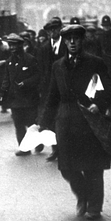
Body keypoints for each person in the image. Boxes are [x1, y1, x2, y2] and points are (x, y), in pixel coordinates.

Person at [40, 24, 111, 220]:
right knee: (66, 167)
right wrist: (42, 123)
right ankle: (82, 195)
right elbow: (52, 96)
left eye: (76, 38)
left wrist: (98, 104)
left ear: (82, 41)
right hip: (65, 120)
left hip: (89, 120)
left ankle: (94, 207)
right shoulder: (58, 66)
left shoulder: (95, 63)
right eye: (68, 39)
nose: (72, 42)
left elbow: (109, 89)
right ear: (64, 42)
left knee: (93, 166)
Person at [0, 33, 41, 156]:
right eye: (11, 45)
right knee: (18, 124)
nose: (12, 48)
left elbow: (38, 76)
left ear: (21, 45)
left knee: (32, 124)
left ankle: (38, 143)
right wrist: (2, 93)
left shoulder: (30, 59)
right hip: (15, 99)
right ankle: (23, 148)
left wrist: (25, 83)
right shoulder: (9, 62)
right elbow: (6, 79)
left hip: (29, 98)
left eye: (15, 45)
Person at [37, 16, 67, 161]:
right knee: (51, 120)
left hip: (65, 89)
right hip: (49, 90)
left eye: (54, 30)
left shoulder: (67, 45)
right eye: (49, 31)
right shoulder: (44, 49)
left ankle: (66, 149)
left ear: (60, 29)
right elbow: (42, 70)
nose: (52, 33)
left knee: (65, 119)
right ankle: (56, 149)